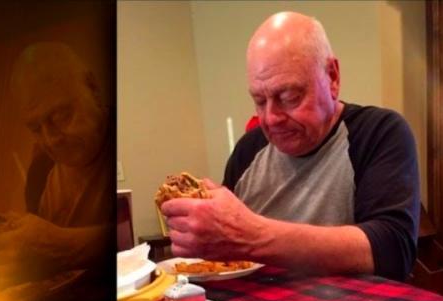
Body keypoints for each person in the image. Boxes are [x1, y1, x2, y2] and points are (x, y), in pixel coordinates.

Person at [161, 11, 420, 281]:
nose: (271, 118)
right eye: (260, 101)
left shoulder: (378, 133)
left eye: (289, 97)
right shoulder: (249, 150)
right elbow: (230, 259)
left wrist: (252, 236)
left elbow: (393, 250)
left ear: (332, 77)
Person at [0, 41, 114, 301]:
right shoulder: (41, 166)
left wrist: (70, 247)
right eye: (35, 127)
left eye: (60, 115)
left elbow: (138, 247)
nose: (50, 139)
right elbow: (42, 252)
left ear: (93, 88)